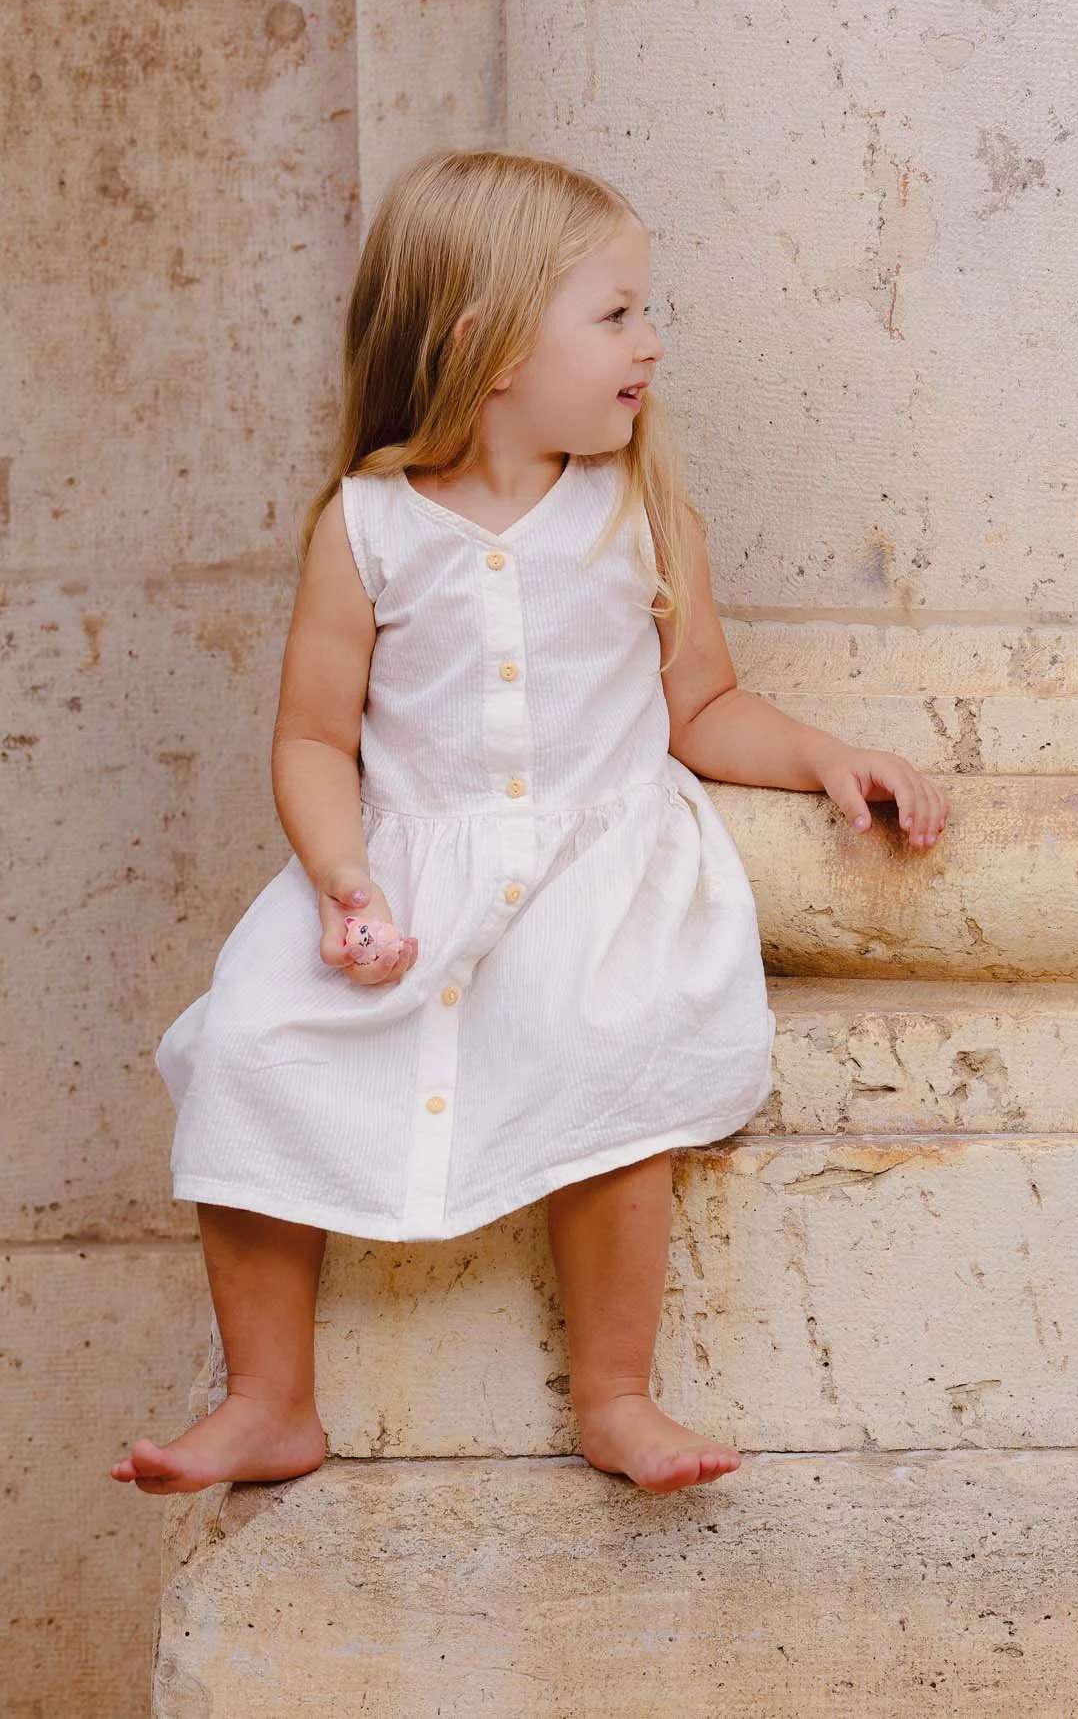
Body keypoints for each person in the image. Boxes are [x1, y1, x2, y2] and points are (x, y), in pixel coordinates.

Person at [112, 151, 950, 1495]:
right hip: (408, 864)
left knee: (604, 1047)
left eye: (647, 313)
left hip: (593, 868)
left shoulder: (638, 512)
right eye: (616, 315)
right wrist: (343, 881)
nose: (653, 344)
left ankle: (616, 1392)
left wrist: (826, 758)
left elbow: (705, 703)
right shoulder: (368, 526)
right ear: (488, 346)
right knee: (252, 1048)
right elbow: (316, 736)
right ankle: (268, 1399)